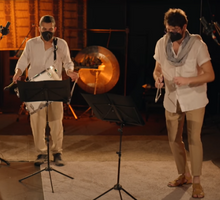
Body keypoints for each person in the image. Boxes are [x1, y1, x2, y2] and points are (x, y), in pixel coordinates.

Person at [153, 8, 215, 198]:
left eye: (174, 30)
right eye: (167, 30)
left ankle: (196, 181)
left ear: (184, 27)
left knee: (194, 139)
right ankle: (184, 174)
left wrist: (187, 80)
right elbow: (158, 68)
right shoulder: (161, 44)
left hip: (194, 98)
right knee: (173, 139)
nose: (170, 34)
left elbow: (210, 75)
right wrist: (157, 78)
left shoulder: (197, 45)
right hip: (172, 99)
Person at [13, 15, 78, 166]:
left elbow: (68, 63)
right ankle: (41, 152)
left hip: (55, 87)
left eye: (50, 29)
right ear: (39, 29)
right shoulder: (31, 44)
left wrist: (70, 72)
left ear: (55, 29)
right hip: (35, 87)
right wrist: (18, 72)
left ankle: (57, 152)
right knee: (37, 122)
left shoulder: (61, 44)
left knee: (56, 121)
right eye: (44, 29)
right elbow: (22, 61)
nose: (47, 32)